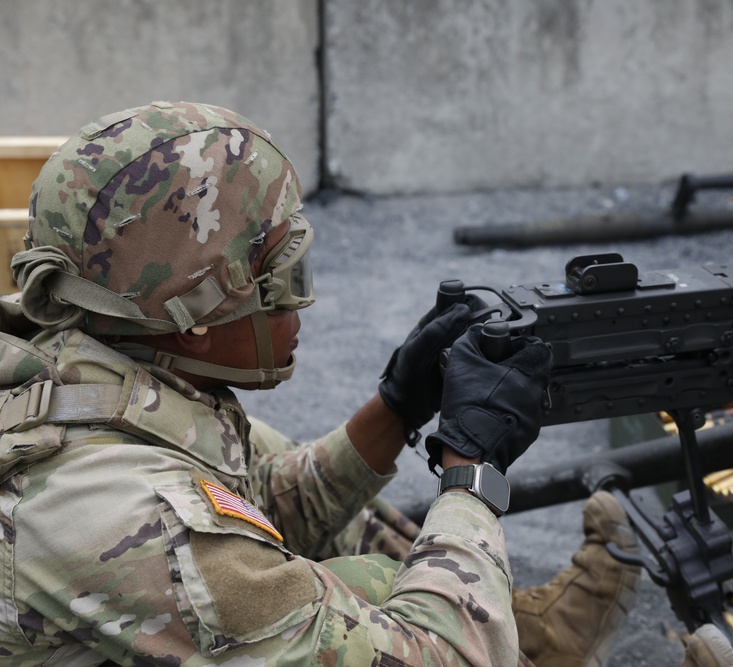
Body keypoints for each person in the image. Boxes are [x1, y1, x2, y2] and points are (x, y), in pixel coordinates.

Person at [0, 101, 648, 666]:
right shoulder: (126, 520)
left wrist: (396, 406)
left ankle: (527, 634)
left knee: (274, 462)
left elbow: (255, 509)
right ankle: (512, 633)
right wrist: (470, 470)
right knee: (370, 586)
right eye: (284, 276)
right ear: (193, 315)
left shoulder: (91, 370)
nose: (302, 303)